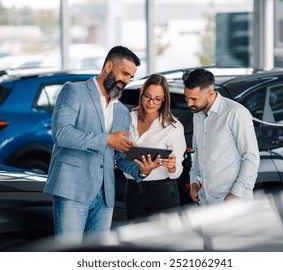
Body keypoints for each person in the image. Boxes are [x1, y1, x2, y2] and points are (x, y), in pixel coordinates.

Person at [43, 45, 157, 244]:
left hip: (105, 196)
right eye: (125, 73)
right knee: (69, 254)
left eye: (131, 77)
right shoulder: (74, 91)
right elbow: (61, 133)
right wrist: (106, 139)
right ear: (108, 66)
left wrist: (142, 169)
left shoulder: (121, 111)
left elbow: (120, 156)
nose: (127, 81)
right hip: (72, 189)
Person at [182, 68, 260, 205]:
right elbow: (198, 151)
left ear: (210, 93)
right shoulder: (198, 115)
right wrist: (194, 180)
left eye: (194, 99)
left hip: (233, 201)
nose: (189, 103)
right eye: (186, 98)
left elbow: (251, 157)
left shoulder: (236, 113)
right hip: (206, 200)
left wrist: (236, 194)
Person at [123, 74, 186, 220]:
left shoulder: (173, 127)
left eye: (157, 99)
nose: (151, 103)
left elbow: (177, 171)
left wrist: (172, 166)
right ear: (141, 92)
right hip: (132, 188)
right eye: (147, 97)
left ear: (164, 100)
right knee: (135, 238)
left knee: (163, 240)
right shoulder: (127, 118)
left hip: (162, 191)